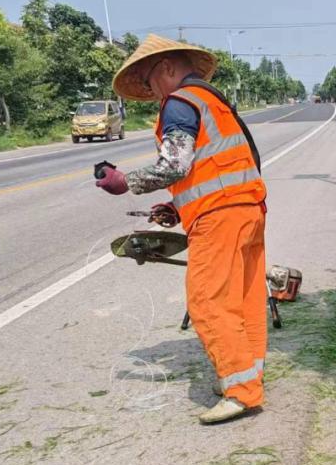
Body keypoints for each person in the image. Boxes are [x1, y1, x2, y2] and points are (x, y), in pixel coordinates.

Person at [98, 35, 268, 424]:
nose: (149, 89)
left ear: (168, 68)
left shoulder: (179, 103)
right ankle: (245, 377)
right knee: (245, 301)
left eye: (149, 79)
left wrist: (125, 182)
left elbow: (174, 165)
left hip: (219, 217)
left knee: (207, 301)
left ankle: (241, 391)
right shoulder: (213, 100)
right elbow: (215, 166)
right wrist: (177, 206)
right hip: (248, 210)